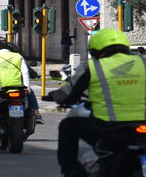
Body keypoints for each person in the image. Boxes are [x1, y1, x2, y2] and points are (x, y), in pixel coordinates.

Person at [42, 29, 146, 177]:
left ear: (96, 50)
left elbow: (68, 94)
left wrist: (54, 96)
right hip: (142, 124)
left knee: (68, 126)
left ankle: (71, 170)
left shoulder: (92, 67)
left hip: (108, 125)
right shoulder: (143, 62)